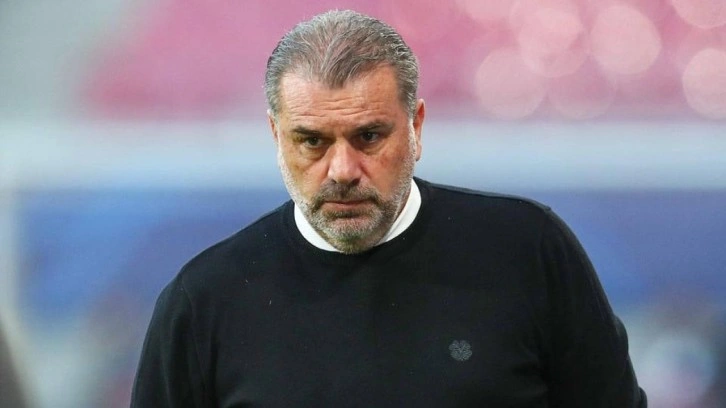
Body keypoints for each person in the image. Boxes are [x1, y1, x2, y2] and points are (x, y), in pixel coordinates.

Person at [131, 9, 647, 407]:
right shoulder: (203, 302)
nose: (341, 170)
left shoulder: (529, 251)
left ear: (416, 127)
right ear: (275, 136)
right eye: (311, 141)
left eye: (369, 136)